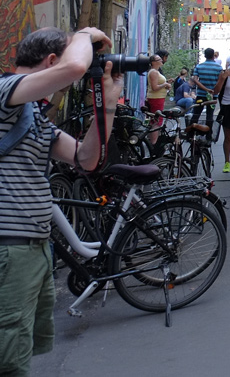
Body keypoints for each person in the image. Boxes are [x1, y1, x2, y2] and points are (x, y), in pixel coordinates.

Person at [0, 27, 117, 375]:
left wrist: (108, 105)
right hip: (9, 249)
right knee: (8, 356)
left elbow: (86, 159)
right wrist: (83, 35)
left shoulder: (32, 115)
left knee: (18, 349)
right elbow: (75, 68)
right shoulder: (4, 92)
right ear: (53, 61)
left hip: (32, 250)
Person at [191, 48, 223, 132]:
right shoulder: (219, 68)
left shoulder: (199, 66)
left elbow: (195, 80)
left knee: (196, 114)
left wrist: (205, 89)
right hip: (212, 95)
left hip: (201, 94)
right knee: (210, 115)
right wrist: (212, 90)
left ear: (205, 56)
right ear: (213, 55)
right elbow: (220, 81)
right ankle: (208, 134)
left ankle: (190, 133)